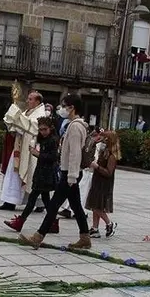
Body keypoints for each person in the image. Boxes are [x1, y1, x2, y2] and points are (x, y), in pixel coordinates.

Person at [21, 94, 91, 249]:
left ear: (72, 108)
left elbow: (75, 153)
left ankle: (38, 236)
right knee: (76, 206)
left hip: (70, 173)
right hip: (71, 172)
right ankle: (85, 237)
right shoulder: (77, 125)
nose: (62, 109)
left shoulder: (75, 126)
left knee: (53, 205)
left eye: (65, 106)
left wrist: (71, 176)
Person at [4, 117, 59, 233]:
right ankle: (53, 222)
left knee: (33, 198)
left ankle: (20, 222)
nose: (42, 132)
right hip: (41, 172)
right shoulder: (44, 139)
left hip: (46, 174)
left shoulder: (53, 140)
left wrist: (38, 154)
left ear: (50, 128)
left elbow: (53, 157)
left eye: (45, 129)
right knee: (46, 199)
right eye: (41, 130)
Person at [0, 90, 46, 210]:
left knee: (32, 175)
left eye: (30, 99)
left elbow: (32, 126)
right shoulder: (28, 111)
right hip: (20, 146)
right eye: (28, 98)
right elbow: (21, 123)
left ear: (37, 101)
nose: (27, 101)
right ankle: (10, 201)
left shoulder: (41, 114)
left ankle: (38, 204)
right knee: (13, 173)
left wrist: (17, 114)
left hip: (31, 149)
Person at [86, 130, 120, 238]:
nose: (102, 139)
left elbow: (109, 172)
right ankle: (95, 228)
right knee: (95, 204)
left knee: (97, 207)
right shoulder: (103, 151)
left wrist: (97, 167)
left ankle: (109, 223)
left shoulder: (112, 156)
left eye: (105, 138)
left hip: (104, 183)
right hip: (98, 180)